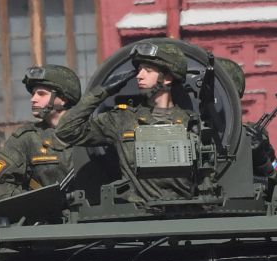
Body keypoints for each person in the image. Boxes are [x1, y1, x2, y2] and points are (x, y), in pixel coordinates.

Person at [54, 40, 206, 200]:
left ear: (167, 77)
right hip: (135, 213)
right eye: (139, 70)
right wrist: (103, 91)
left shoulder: (191, 123)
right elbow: (67, 130)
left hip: (182, 212)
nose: (139, 76)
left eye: (147, 70)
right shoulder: (122, 119)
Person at [0, 65, 78, 200]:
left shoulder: (94, 131)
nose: (33, 99)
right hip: (51, 218)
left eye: (41, 94)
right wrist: (38, 200)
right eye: (33, 94)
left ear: (63, 98)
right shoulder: (27, 138)